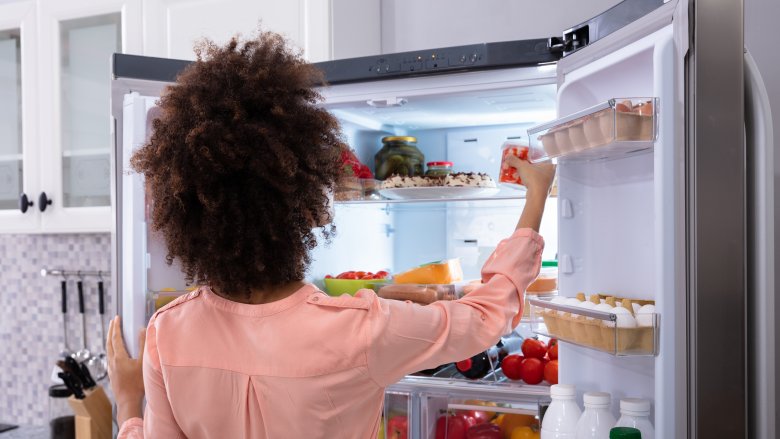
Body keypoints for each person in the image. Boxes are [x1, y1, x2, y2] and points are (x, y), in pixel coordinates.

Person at [106, 30, 556, 439]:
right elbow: (484, 318)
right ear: (307, 207)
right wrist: (535, 195)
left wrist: (129, 402)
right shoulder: (362, 328)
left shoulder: (169, 331)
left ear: (184, 210)